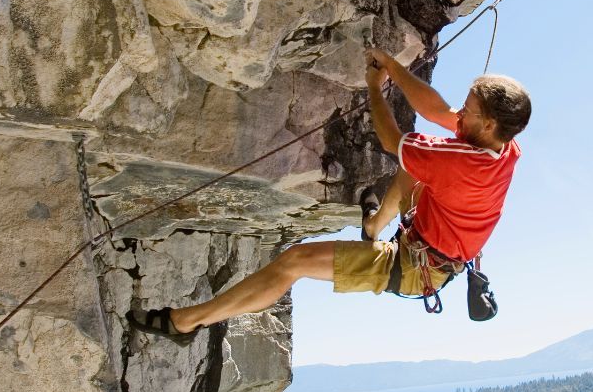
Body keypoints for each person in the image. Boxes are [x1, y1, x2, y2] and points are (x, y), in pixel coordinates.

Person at [126, 48, 531, 339]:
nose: (459, 114)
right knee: (415, 166)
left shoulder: (460, 161)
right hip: (437, 244)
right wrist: (391, 64)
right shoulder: (505, 147)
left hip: (413, 268)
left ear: (491, 123)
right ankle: (374, 224)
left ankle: (187, 321)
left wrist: (375, 87)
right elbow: (438, 111)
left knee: (294, 262)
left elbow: (392, 140)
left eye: (469, 110)